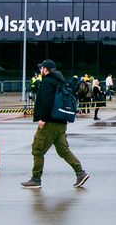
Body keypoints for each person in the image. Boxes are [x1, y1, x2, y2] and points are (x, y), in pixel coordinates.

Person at [21, 60, 89, 189]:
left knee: (37, 150)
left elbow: (46, 101)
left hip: (50, 123)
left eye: (41, 68)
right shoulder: (60, 81)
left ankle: (36, 179)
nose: (40, 70)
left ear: (46, 69)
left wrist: (43, 119)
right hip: (61, 122)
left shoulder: (47, 82)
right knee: (63, 150)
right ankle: (80, 172)